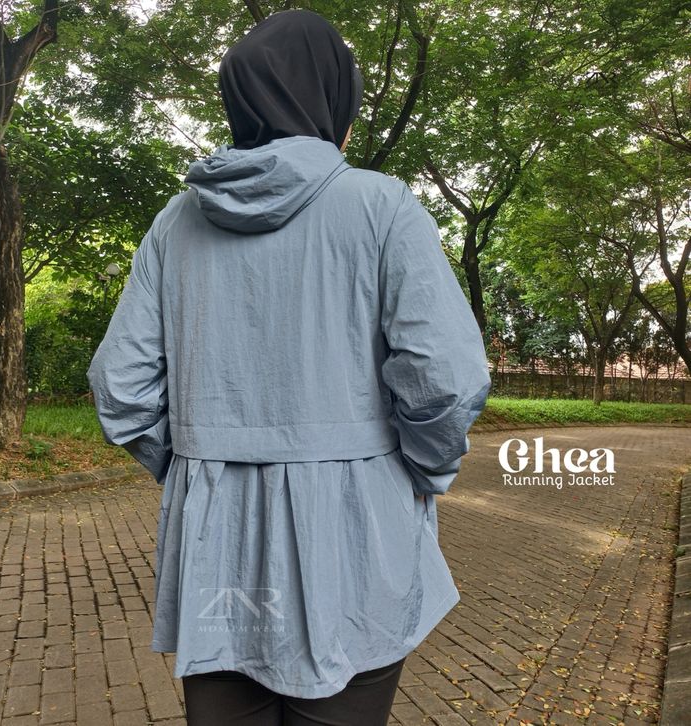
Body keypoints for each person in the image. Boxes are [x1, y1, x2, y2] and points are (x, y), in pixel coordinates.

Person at [86, 8, 492, 726]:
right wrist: (423, 471)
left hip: (217, 535)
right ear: (334, 101)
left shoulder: (177, 222)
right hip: (354, 528)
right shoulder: (382, 206)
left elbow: (120, 385)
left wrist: (196, 461)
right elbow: (446, 377)